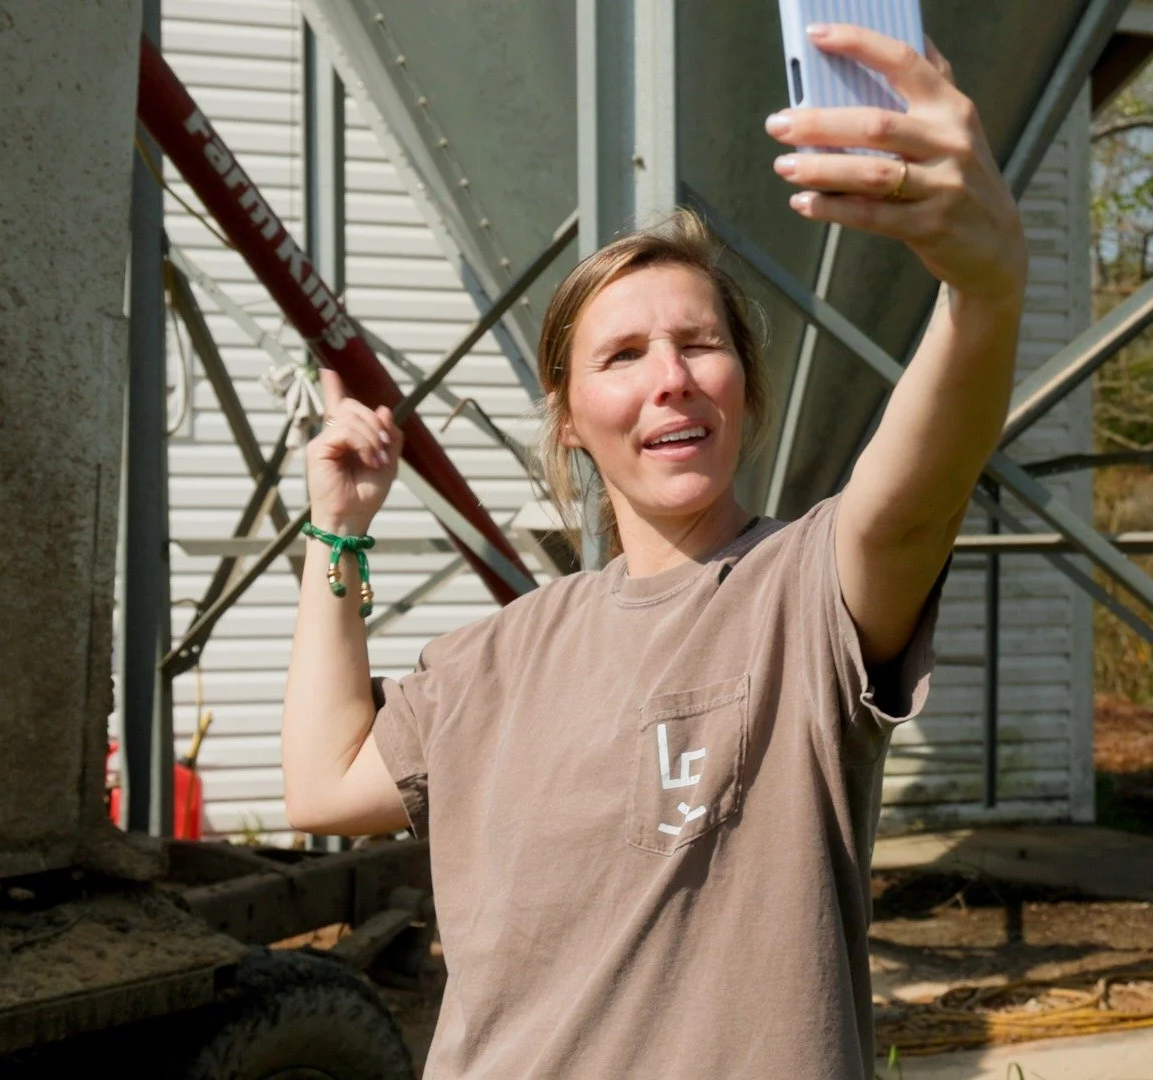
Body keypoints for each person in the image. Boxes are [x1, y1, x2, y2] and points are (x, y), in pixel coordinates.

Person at [281, 23, 1027, 1079]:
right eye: (623, 355)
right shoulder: (494, 659)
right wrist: (336, 527)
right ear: (571, 419)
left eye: (701, 343)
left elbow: (908, 501)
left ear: (744, 389)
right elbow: (321, 785)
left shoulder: (807, 596)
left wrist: (984, 287)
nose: (670, 377)